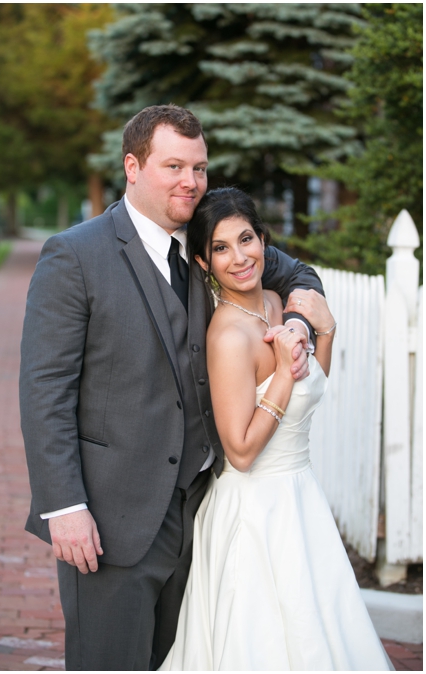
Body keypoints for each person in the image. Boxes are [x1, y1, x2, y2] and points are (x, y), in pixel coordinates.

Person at [19, 105, 327, 670]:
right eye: (174, 167)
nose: (191, 182)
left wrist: (299, 326)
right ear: (132, 167)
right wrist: (64, 507)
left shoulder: (210, 239)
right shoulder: (75, 254)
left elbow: (299, 275)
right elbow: (45, 389)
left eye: (200, 168)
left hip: (202, 510)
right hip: (111, 518)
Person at [158, 187, 391, 670]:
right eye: (221, 248)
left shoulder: (276, 301)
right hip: (254, 511)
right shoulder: (226, 336)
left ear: (263, 240)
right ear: (203, 262)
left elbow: (313, 391)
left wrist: (323, 332)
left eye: (246, 239)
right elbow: (240, 451)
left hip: (301, 501)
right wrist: (283, 373)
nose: (240, 257)